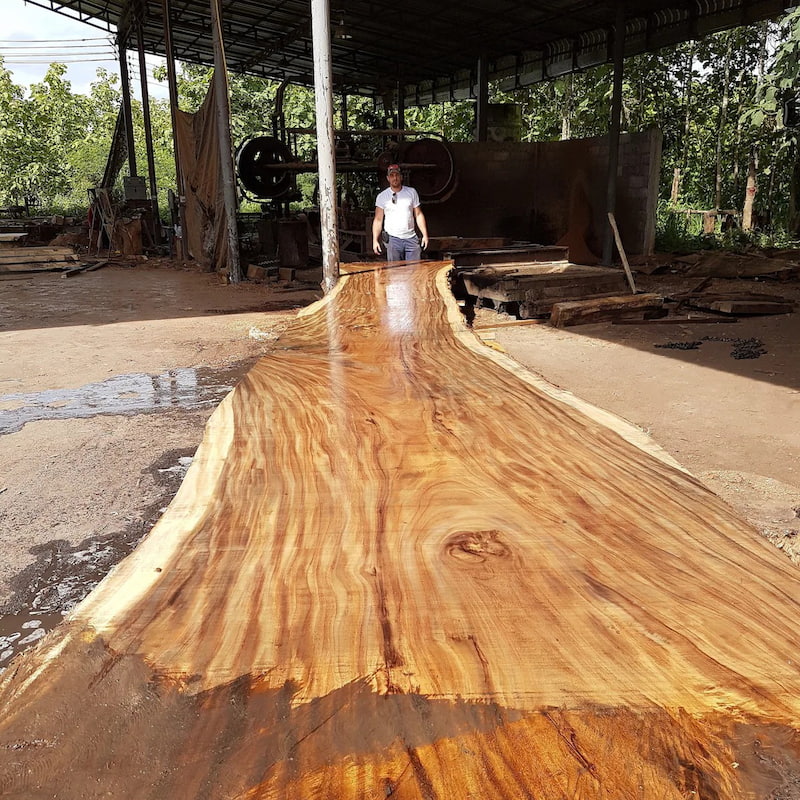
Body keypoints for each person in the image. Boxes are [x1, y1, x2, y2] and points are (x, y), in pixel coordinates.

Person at [372, 164, 429, 261]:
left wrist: (425, 235)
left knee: (415, 271)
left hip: (411, 238)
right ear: (388, 178)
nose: (395, 178)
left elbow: (418, 214)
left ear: (401, 177)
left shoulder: (411, 192)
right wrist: (375, 240)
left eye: (397, 175)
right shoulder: (382, 197)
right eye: (392, 175)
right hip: (393, 239)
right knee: (395, 272)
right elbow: (378, 220)